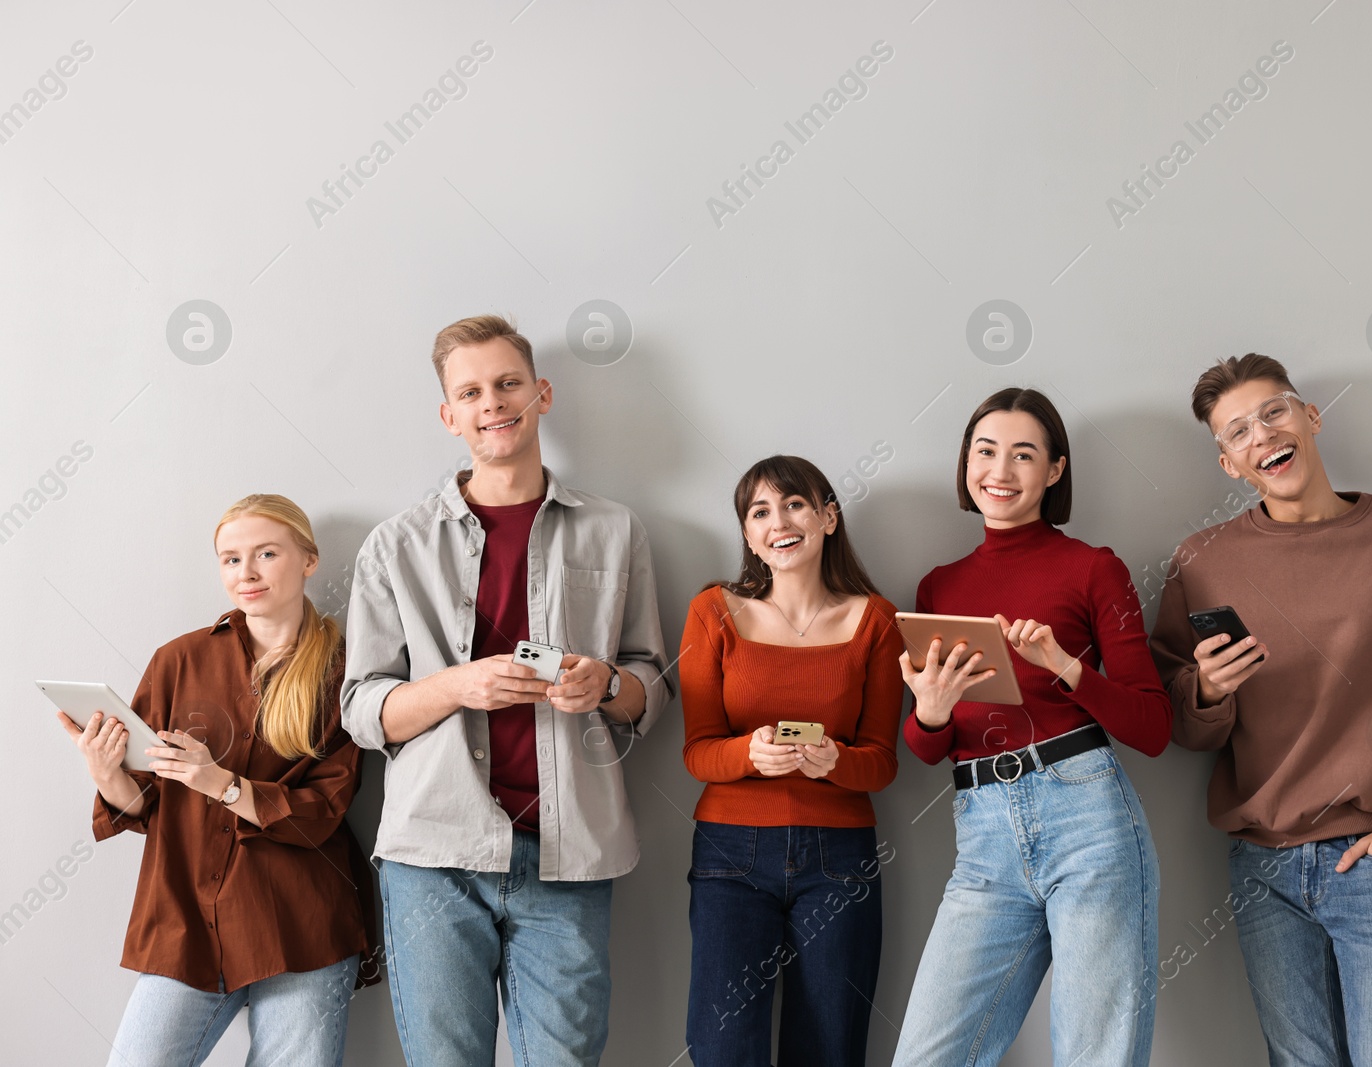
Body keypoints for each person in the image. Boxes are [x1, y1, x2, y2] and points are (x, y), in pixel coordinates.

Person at [341, 313, 672, 1067]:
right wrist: (456, 685)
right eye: (472, 391)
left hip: (571, 855)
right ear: (448, 414)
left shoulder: (617, 531)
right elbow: (362, 709)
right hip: (434, 858)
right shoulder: (395, 545)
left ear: (542, 393)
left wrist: (607, 683)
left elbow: (652, 682)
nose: (493, 402)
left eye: (508, 383)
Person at [1150, 353, 1372, 1067]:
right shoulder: (1200, 561)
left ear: (1310, 416)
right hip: (1261, 864)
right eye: (1238, 430)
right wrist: (1208, 689)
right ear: (1228, 464)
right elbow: (1179, 723)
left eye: (1273, 411)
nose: (1262, 434)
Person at [892, 388, 1169, 1067]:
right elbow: (928, 746)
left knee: (1093, 1054)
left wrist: (1065, 665)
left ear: (1054, 470)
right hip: (982, 831)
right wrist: (930, 708)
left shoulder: (1093, 567)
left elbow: (1153, 725)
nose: (1001, 470)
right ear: (966, 465)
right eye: (986, 451)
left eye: (1024, 454)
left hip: (1089, 820)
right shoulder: (939, 587)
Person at [57, 493, 376, 1067]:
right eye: (230, 559)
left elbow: (324, 810)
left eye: (266, 553)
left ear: (308, 559)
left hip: (303, 927)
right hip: (186, 920)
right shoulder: (177, 660)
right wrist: (106, 774)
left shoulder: (346, 671)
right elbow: (146, 802)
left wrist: (220, 783)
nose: (246, 573)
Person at [679, 456, 903, 1067]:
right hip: (730, 854)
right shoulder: (712, 611)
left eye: (795, 503)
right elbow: (697, 751)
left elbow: (882, 764)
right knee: (723, 1050)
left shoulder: (877, 620)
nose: (779, 521)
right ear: (749, 536)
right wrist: (748, 754)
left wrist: (833, 761)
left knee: (830, 1048)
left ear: (828, 516)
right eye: (760, 511)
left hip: (840, 858)